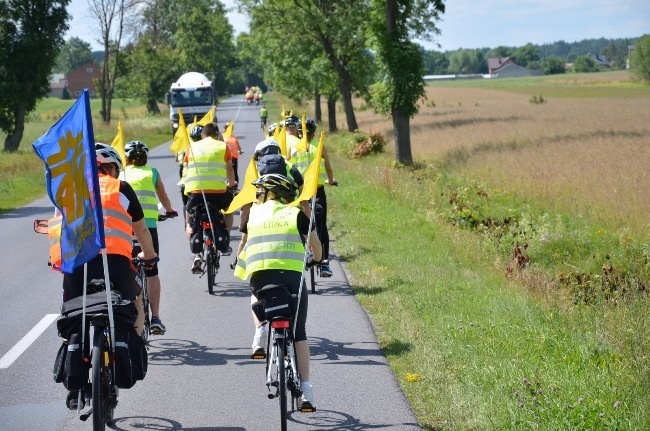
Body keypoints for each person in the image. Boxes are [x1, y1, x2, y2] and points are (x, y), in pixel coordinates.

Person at [57, 143, 158, 409]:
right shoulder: (121, 189)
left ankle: (75, 381)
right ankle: (131, 352)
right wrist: (149, 257)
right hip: (116, 263)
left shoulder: (70, 191)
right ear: (112, 168)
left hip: (78, 264)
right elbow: (142, 230)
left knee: (73, 314)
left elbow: (57, 229)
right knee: (135, 305)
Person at [234, 173, 322, 412]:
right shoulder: (296, 214)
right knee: (299, 332)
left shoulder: (253, 213)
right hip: (293, 279)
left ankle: (261, 329)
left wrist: (238, 261)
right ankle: (306, 390)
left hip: (262, 278)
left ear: (267, 193)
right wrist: (317, 259)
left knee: (255, 291)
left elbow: (243, 245)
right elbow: (316, 245)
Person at [120, 140, 177, 334]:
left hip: (124, 228)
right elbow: (163, 196)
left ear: (126, 159)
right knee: (152, 271)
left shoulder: (121, 175)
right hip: (148, 228)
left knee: (124, 266)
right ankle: (155, 318)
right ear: (145, 158)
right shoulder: (152, 173)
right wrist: (169, 210)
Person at [182, 122, 237, 273]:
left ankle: (196, 254)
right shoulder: (222, 146)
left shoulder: (191, 147)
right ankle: (225, 233)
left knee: (189, 215)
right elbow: (230, 168)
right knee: (229, 209)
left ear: (202, 134)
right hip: (218, 192)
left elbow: (186, 168)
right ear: (216, 134)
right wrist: (231, 183)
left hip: (196, 192)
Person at [287, 117, 337, 277]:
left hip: (299, 193)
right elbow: (328, 168)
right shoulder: (320, 147)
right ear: (314, 133)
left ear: (299, 132)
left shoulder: (293, 147)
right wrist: (330, 180)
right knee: (321, 226)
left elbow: (287, 168)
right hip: (317, 191)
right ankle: (324, 264)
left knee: (295, 223)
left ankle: (295, 257)